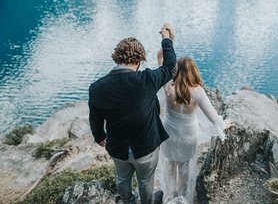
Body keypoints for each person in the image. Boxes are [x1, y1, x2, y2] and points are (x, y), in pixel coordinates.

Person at [89, 23, 176, 204]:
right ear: (139, 60)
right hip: (146, 147)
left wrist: (99, 136)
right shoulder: (147, 80)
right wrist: (167, 39)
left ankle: (128, 201)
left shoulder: (97, 87)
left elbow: (95, 117)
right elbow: (170, 68)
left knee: (122, 179)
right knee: (145, 181)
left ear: (117, 58)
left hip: (117, 148)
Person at [157, 53, 233, 202]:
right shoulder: (197, 91)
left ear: (176, 71)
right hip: (188, 136)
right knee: (184, 169)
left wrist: (163, 49)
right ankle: (181, 198)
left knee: (170, 166)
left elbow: (161, 66)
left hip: (169, 133)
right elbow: (213, 117)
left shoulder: (168, 86)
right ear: (194, 71)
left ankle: (170, 197)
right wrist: (223, 124)